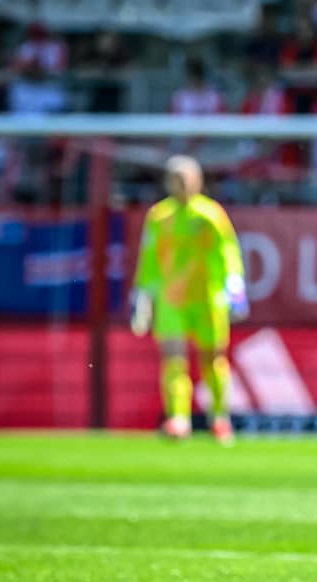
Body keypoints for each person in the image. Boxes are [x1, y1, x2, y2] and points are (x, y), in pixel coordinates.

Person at [130, 155, 249, 445]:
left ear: (198, 181)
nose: (180, 185)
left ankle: (219, 417)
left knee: (213, 359)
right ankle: (178, 419)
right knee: (173, 359)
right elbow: (149, 258)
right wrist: (142, 297)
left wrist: (235, 290)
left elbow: (228, 252)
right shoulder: (159, 216)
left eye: (184, 179)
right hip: (172, 300)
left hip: (207, 297)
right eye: (174, 179)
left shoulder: (210, 215)